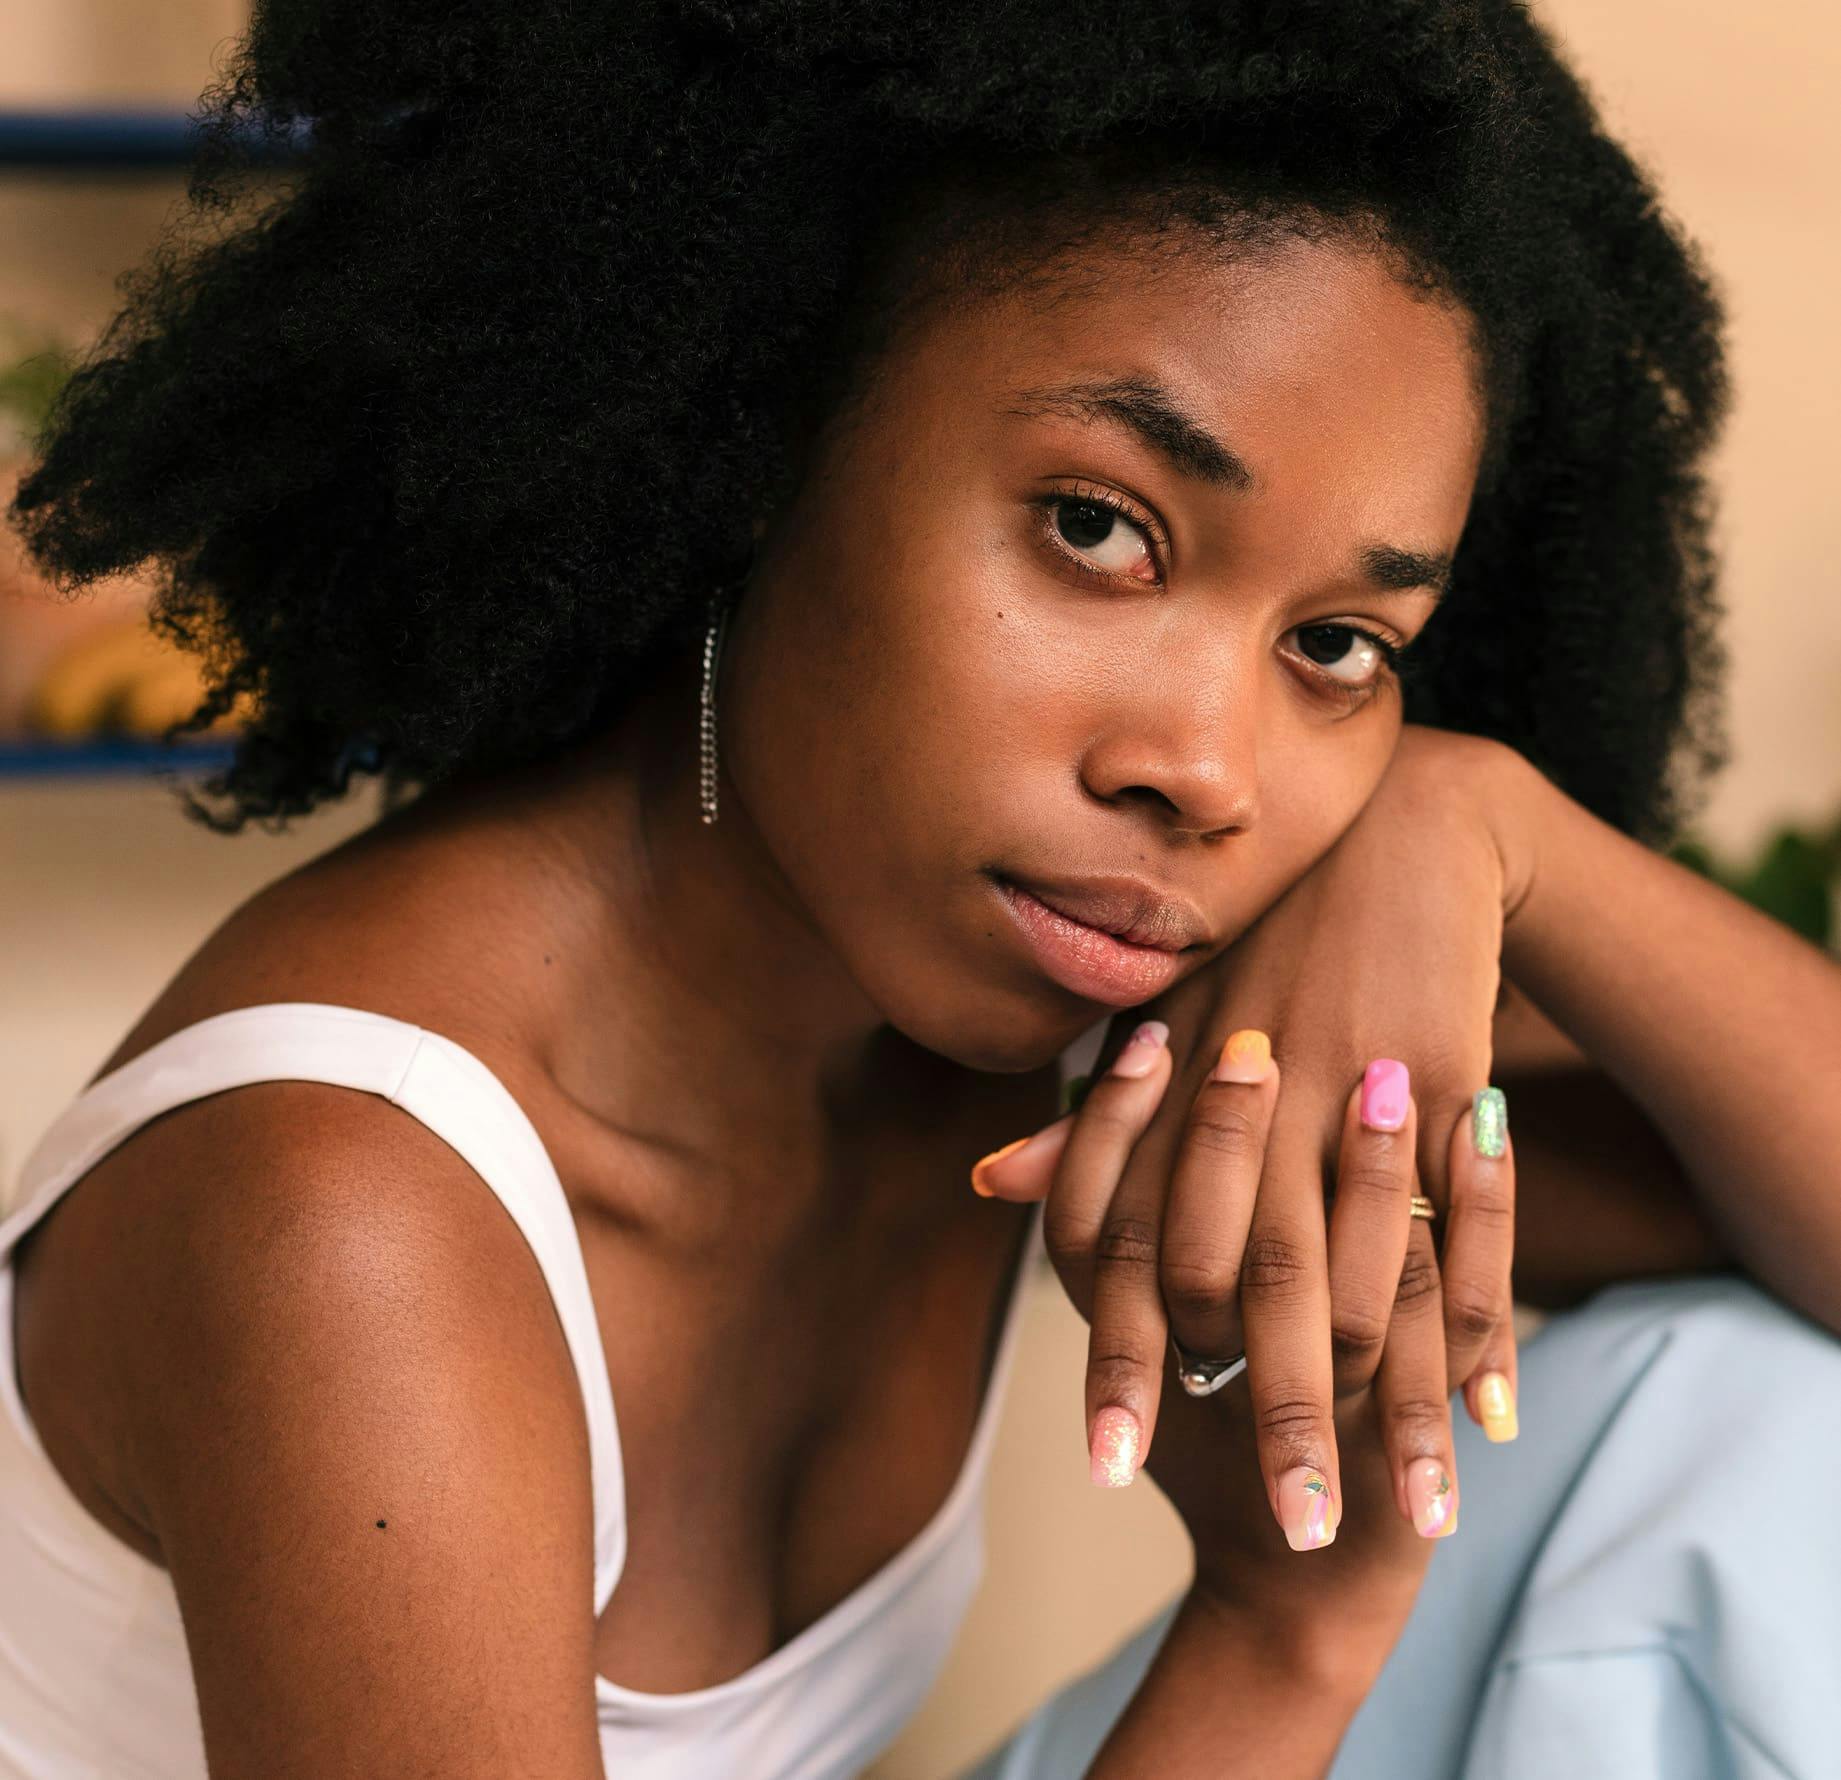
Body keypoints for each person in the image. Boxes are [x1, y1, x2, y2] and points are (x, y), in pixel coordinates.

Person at [3, 2, 1837, 1775]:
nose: (1206, 770)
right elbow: (1301, 1622)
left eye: (1339, 642)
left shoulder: (1027, 997)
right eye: (1097, 529)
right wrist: (1286, 1626)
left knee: (1754, 1407)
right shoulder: (350, 1212)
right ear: (762, 432)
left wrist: (1485, 821)